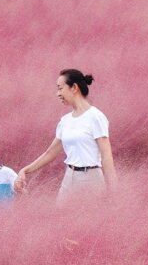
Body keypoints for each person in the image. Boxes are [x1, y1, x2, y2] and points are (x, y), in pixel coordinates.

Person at [14, 69, 116, 202]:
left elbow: (106, 156)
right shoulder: (65, 121)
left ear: (74, 87)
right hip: (69, 178)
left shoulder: (96, 117)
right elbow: (50, 153)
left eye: (60, 88)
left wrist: (114, 191)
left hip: (91, 179)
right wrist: (25, 170)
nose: (58, 94)